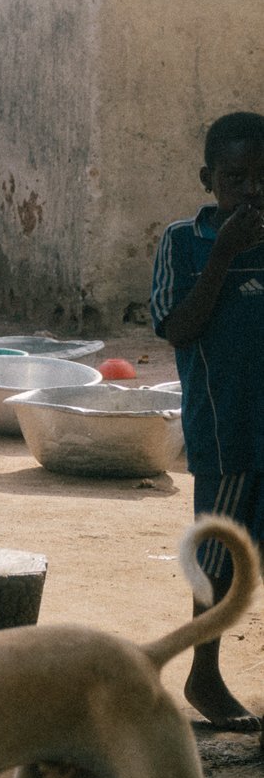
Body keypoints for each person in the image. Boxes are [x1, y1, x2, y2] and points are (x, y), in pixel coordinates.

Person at [152, 110, 264, 729]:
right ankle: (205, 673)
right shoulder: (184, 242)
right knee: (218, 561)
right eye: (236, 176)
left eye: (262, 177)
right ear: (208, 179)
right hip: (226, 430)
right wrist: (223, 256)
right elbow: (179, 326)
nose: (252, 190)